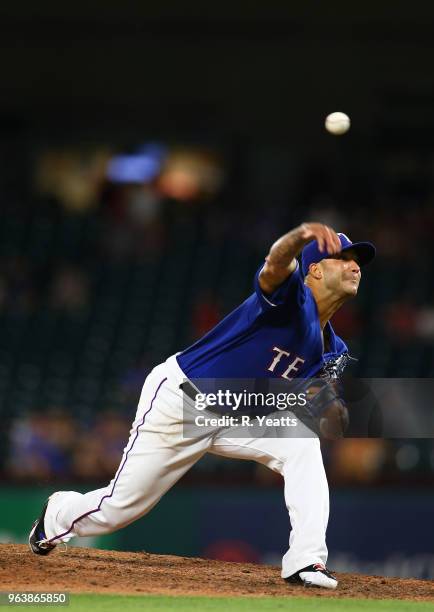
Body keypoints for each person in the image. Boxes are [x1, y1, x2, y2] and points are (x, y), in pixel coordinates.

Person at [29, 222, 375, 590]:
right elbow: (276, 263)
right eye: (343, 258)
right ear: (315, 270)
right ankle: (57, 514)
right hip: (183, 401)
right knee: (121, 508)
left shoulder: (332, 348)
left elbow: (333, 418)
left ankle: (306, 560)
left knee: (302, 444)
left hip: (241, 413)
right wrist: (302, 235)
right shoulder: (291, 298)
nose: (355, 266)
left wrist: (331, 402)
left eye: (358, 261)